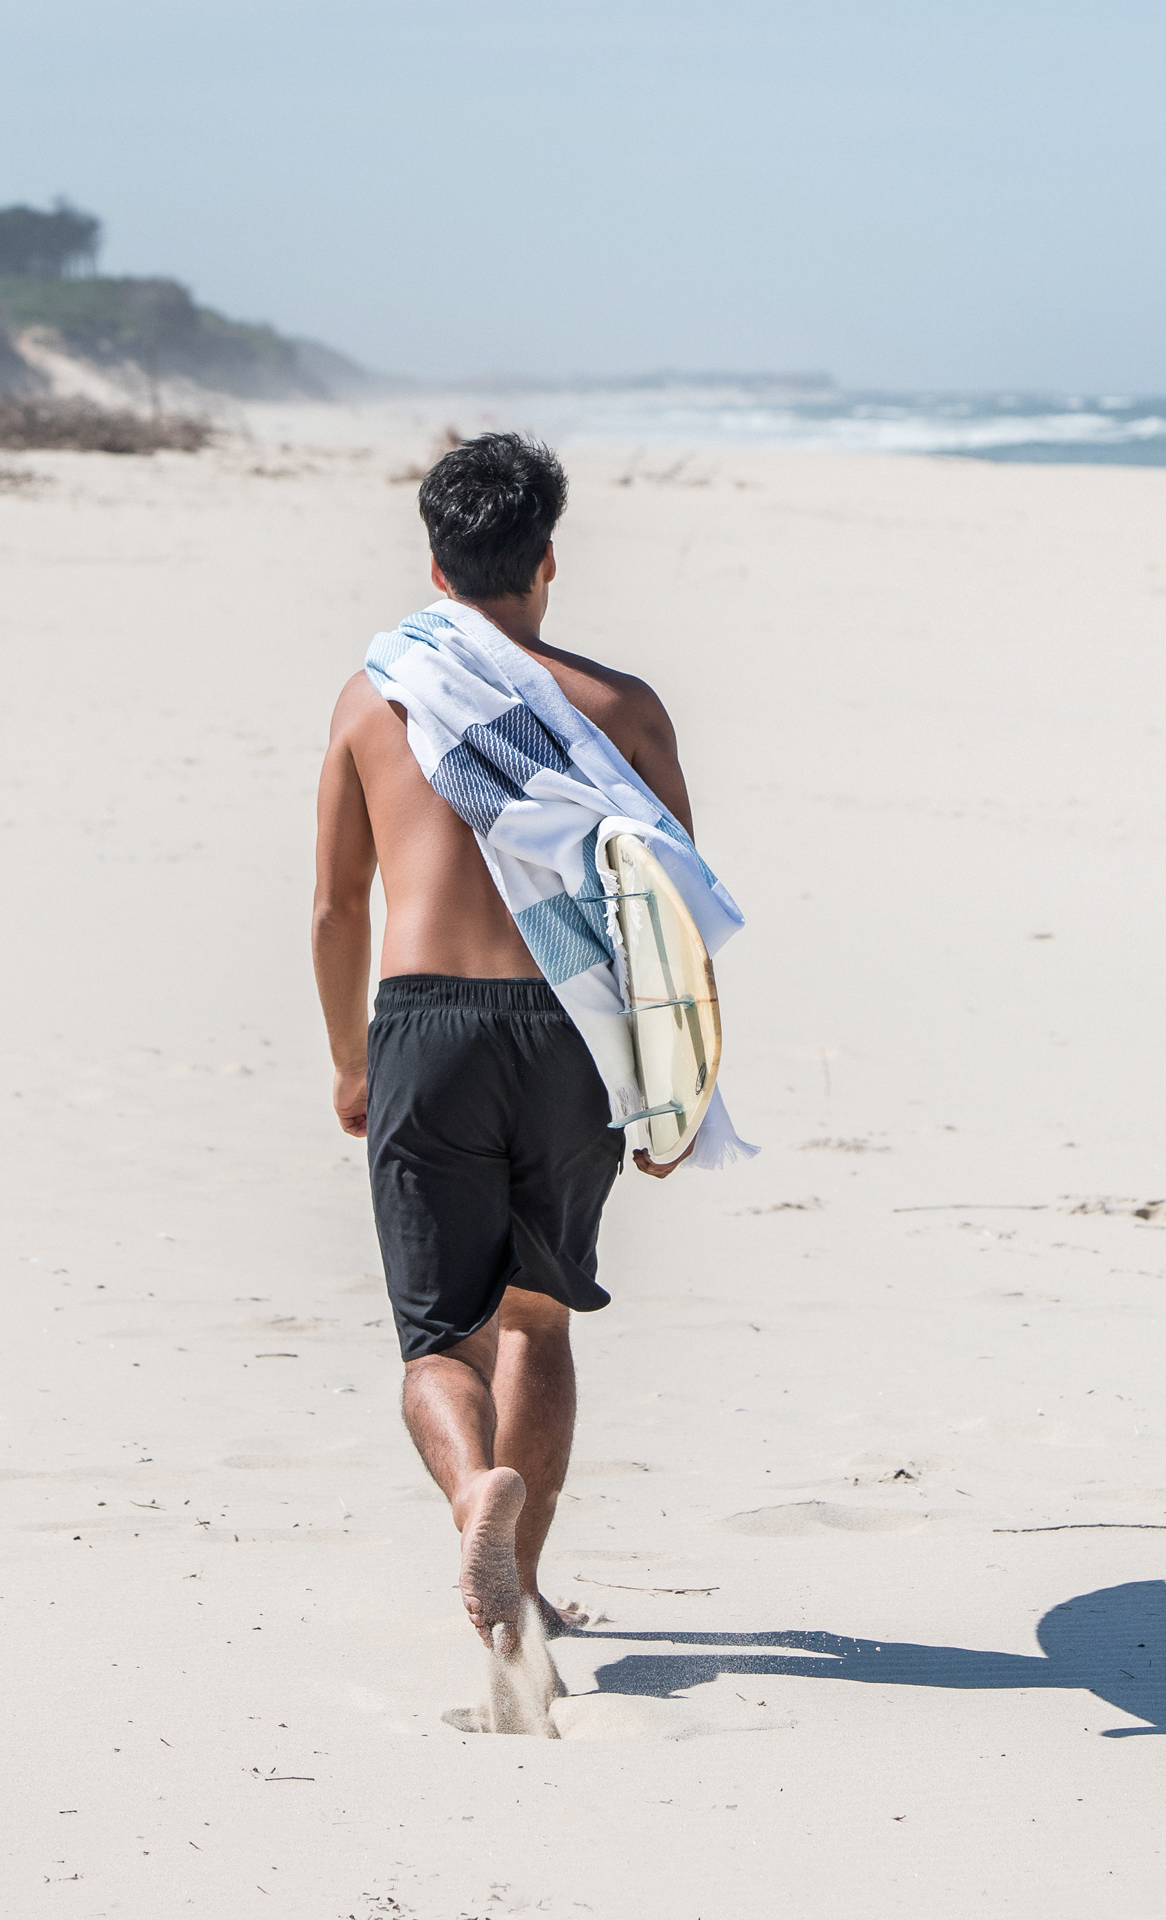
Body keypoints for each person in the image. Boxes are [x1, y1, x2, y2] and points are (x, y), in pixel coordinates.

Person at [312, 433, 693, 1655]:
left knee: (440, 1340)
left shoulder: (376, 698)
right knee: (538, 1319)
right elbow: (668, 919)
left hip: (424, 1020)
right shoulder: (620, 710)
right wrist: (673, 1088)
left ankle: (473, 1489)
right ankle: (519, 1587)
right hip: (571, 1029)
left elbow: (335, 908)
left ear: (435, 567)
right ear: (544, 561)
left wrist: (350, 1064)